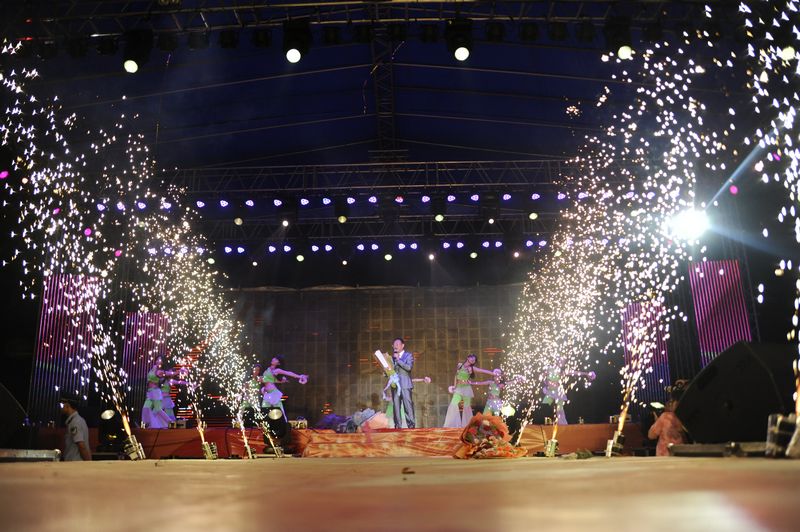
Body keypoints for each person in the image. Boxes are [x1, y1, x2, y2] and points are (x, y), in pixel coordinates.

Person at [444, 354, 499, 428]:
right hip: (459, 388)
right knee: (453, 404)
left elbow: (482, 371)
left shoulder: (472, 368)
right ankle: (452, 424)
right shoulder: (460, 365)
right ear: (468, 358)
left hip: (467, 389)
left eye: (474, 360)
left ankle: (468, 425)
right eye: (472, 358)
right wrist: (454, 386)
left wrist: (493, 373)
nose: (473, 360)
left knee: (467, 407)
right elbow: (456, 376)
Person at [648, 380, 688, 456]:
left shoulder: (665, 417)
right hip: (683, 455)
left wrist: (657, 421)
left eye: (671, 401)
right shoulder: (687, 416)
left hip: (665, 455)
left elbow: (651, 435)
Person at [261, 355, 308, 421]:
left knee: (280, 412)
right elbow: (267, 380)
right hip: (267, 393)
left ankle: (285, 424)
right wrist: (280, 381)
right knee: (264, 411)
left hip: (274, 393)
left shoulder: (277, 370)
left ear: (278, 363)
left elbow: (288, 373)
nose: (273, 359)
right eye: (274, 358)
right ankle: (264, 425)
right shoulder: (268, 369)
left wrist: (299, 376)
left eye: (276, 359)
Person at [141, 356, 178, 429]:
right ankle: (150, 424)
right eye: (157, 359)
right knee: (146, 408)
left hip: (155, 392)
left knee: (158, 410)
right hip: (150, 392)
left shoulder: (160, 371)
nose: (158, 361)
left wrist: (178, 372)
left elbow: (169, 374)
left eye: (160, 360)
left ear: (162, 363)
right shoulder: (153, 368)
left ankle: (172, 424)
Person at [390, 337, 415, 429]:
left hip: (405, 384)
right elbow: (391, 371)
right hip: (395, 385)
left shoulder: (408, 355)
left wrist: (398, 360)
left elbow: (409, 368)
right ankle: (397, 426)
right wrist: (386, 371)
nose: (395, 346)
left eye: (397, 344)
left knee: (408, 406)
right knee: (396, 407)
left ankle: (411, 426)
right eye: (394, 344)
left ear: (402, 345)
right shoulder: (391, 358)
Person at [60, 396, 91, 461]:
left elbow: (81, 445)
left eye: (63, 405)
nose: (61, 407)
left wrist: (88, 463)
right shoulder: (75, 420)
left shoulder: (75, 422)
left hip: (75, 462)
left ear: (67, 406)